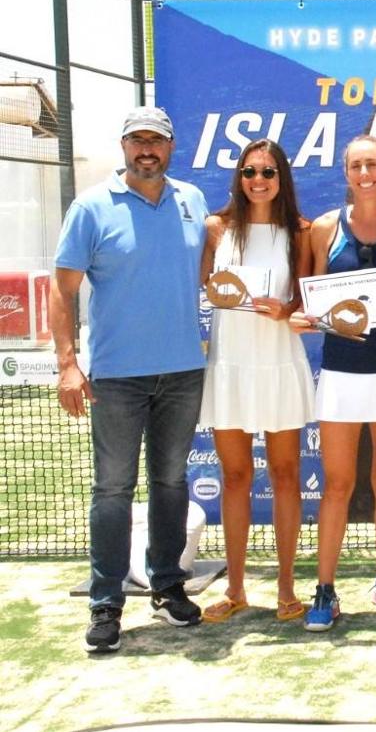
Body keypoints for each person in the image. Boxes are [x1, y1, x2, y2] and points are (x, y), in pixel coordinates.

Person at [51, 106, 209, 652]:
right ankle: (106, 602)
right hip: (117, 378)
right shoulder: (91, 207)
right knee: (113, 489)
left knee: (171, 483)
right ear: (123, 146)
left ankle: (167, 586)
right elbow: (62, 290)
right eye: (137, 140)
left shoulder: (192, 200)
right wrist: (68, 363)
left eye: (156, 140)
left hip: (183, 372)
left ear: (170, 147)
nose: (147, 149)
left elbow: (213, 274)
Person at [290, 134, 376, 631]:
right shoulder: (325, 228)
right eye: (356, 166)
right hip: (341, 374)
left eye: (373, 165)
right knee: (338, 485)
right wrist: (304, 319)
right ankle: (325, 590)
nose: (365, 174)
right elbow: (309, 301)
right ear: (346, 172)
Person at [198, 139, 316, 624]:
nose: (258, 180)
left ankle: (287, 588)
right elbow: (205, 285)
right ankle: (236, 589)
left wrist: (285, 310)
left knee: (286, 475)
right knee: (235, 477)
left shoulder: (301, 231)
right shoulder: (216, 228)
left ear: (281, 177)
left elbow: (306, 300)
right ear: (239, 177)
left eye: (268, 172)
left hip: (278, 360)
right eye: (250, 172)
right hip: (230, 363)